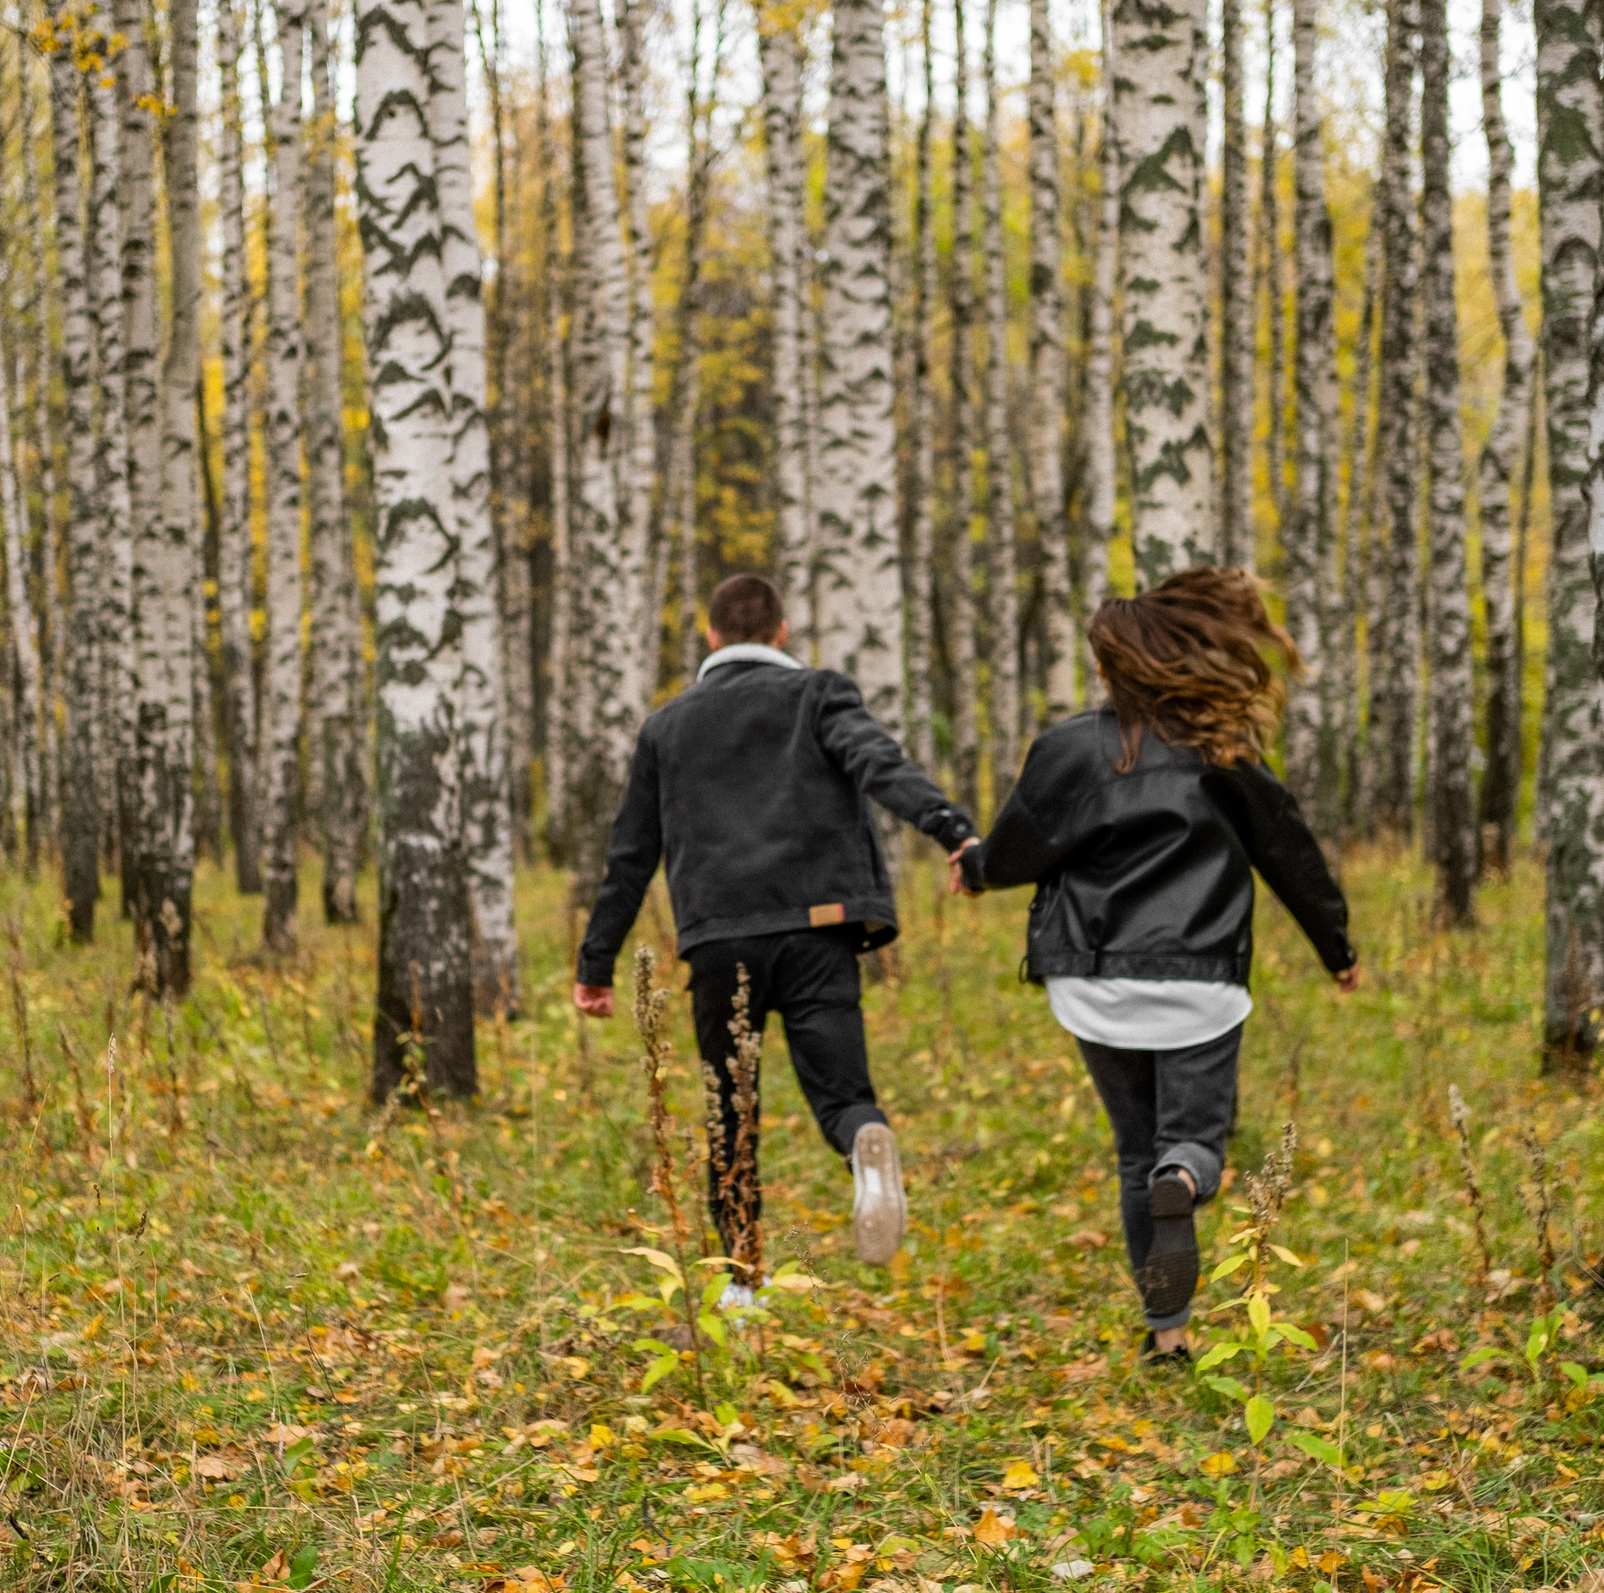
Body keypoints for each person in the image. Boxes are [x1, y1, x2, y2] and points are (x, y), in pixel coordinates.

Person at [959, 568, 1357, 1360]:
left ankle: (1166, 1333)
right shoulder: (1223, 751)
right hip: (1198, 980)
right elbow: (1289, 854)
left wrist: (972, 868)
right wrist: (1335, 946)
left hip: (1094, 981)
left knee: (1134, 1147)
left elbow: (1019, 844)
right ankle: (1188, 1176)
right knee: (1192, 1142)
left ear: (1113, 666)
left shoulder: (1070, 748)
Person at [575, 574, 980, 1293]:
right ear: (783, 632)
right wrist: (951, 828)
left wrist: (596, 962)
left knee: (731, 1111)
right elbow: (878, 763)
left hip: (719, 937)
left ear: (711, 636)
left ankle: (742, 1283)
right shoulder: (819, 694)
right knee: (841, 1089)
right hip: (818, 929)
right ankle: (863, 1145)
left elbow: (631, 854)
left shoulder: (667, 726)